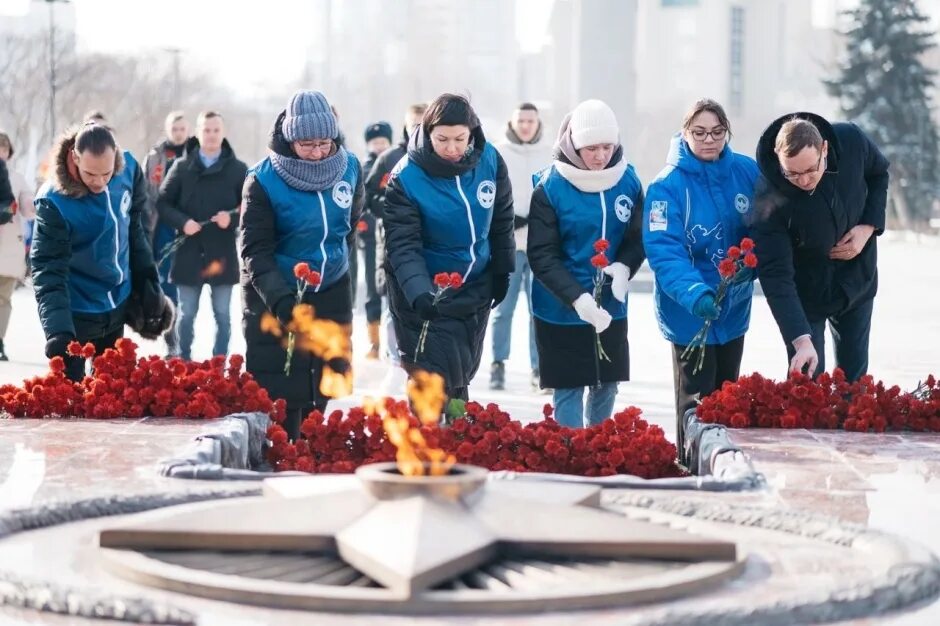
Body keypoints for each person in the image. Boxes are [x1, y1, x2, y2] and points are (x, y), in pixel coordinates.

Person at [240, 90, 363, 439]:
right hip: (277, 294)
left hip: (331, 289)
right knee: (283, 386)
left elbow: (348, 228)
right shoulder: (263, 180)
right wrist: (282, 301)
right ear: (290, 139)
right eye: (307, 144)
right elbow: (254, 250)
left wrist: (336, 268)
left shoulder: (349, 167)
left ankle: (311, 445)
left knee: (325, 380)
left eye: (324, 142)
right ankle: (283, 448)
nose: (318, 152)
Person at [643, 98, 759, 461]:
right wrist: (695, 294)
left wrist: (754, 264)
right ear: (685, 133)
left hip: (733, 308)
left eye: (717, 132)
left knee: (728, 397)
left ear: (727, 132)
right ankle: (690, 463)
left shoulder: (746, 172)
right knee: (696, 403)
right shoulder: (667, 186)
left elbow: (766, 224)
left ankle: (724, 465)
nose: (709, 140)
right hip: (690, 312)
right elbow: (664, 250)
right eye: (699, 132)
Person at [383, 93, 514, 405]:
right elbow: (403, 244)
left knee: (461, 372)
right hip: (425, 292)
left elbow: (501, 219)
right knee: (432, 379)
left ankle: (454, 441)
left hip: (473, 286)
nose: (452, 148)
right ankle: (429, 443)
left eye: (460, 138)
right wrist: (419, 292)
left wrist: (502, 270)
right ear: (428, 133)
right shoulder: (407, 177)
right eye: (442, 139)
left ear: (472, 133)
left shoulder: (490, 160)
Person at [528, 99, 645, 428]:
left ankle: (600, 448)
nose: (601, 156)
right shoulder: (550, 187)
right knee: (569, 386)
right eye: (591, 148)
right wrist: (577, 298)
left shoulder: (628, 181)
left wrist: (623, 268)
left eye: (608, 146)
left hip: (610, 303)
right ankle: (571, 454)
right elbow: (542, 255)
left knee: (607, 382)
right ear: (575, 145)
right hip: (561, 307)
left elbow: (637, 237)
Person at [752, 113, 889, 381]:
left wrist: (868, 227)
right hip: (807, 296)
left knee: (854, 384)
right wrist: (799, 339)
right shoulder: (767, 198)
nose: (804, 181)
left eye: (811, 169)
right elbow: (775, 274)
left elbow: (879, 173)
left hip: (856, 281)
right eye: (792, 173)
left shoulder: (851, 142)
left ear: (824, 149)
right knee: (808, 384)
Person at [31, 122, 173, 381]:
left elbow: (135, 232)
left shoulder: (129, 170)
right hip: (77, 310)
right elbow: (48, 269)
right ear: (75, 157)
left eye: (106, 174)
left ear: (116, 156)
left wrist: (148, 284)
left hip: (117, 302)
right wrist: (58, 331)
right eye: (90, 174)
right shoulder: (54, 201)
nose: (99, 182)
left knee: (112, 395)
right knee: (72, 401)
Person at [157, 111, 246, 362]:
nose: (211, 135)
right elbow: (163, 203)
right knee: (186, 315)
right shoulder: (182, 167)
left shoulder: (238, 170)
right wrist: (182, 222)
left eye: (216, 130)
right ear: (197, 132)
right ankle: (183, 361)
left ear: (223, 133)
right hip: (189, 254)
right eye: (206, 130)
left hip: (222, 253)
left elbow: (253, 207)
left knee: (223, 315)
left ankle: (219, 365)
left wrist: (232, 220)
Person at [489, 102, 553, 392]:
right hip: (509, 243)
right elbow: (488, 192)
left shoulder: (550, 152)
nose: (526, 125)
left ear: (537, 123)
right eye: (521, 120)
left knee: (537, 309)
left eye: (530, 120)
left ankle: (539, 367)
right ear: (512, 123)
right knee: (503, 307)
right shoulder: (498, 151)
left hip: (539, 245)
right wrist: (504, 219)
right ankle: (498, 363)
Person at [365, 103, 427, 377]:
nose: (417, 127)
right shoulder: (389, 158)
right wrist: (389, 213)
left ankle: (422, 355)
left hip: (427, 242)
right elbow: (369, 193)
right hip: (391, 239)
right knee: (392, 299)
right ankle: (394, 356)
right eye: (413, 122)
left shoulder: (437, 157)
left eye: (422, 122)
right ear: (405, 124)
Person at [143, 111, 190, 357]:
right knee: (167, 287)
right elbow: (144, 190)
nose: (178, 132)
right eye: (175, 128)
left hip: (188, 228)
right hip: (160, 226)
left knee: (187, 290)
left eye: (182, 128)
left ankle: (186, 345)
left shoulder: (195, 154)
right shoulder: (155, 156)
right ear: (167, 128)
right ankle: (172, 343)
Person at [0, 131, 36, 361]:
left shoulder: (17, 178)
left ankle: (0, 340)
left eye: (4, 148)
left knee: (3, 298)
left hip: (9, 246)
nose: (0, 152)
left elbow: (27, 208)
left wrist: (34, 204)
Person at [359, 121, 393, 359]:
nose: (379, 146)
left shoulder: (394, 164)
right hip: (369, 237)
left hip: (391, 234)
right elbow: (358, 199)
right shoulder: (363, 168)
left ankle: (395, 341)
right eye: (375, 142)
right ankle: (374, 341)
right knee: (372, 288)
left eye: (383, 142)